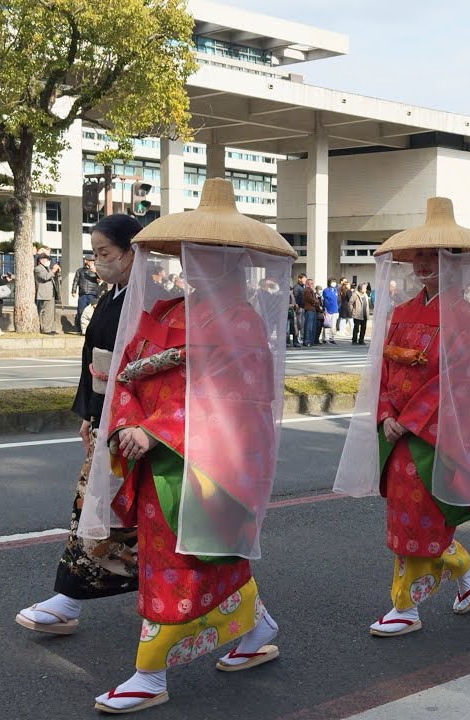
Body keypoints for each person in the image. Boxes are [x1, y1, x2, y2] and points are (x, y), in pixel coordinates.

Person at [78, 179, 290, 713]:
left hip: (208, 458)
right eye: (192, 253)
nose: (198, 264)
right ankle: (256, 627)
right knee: (187, 553)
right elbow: (128, 371)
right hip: (156, 454)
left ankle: (150, 673)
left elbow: (237, 398)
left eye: (212, 255)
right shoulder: (164, 312)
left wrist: (156, 428)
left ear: (235, 263)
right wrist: (120, 420)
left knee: (183, 558)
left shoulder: (240, 321)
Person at [334, 197, 470, 637]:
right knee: (409, 513)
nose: (425, 264)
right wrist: (386, 410)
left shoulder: (462, 315)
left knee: (417, 514)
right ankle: (466, 571)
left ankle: (406, 605)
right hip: (399, 430)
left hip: (431, 434)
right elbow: (385, 370)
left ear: (454, 263)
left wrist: (409, 419)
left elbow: (461, 380)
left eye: (435, 256)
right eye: (420, 256)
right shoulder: (403, 312)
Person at [15, 214, 142, 640]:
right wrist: (90, 413)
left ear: (131, 251)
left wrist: (111, 412)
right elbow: (94, 358)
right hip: (109, 413)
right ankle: (70, 598)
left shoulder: (147, 298)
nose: (98, 261)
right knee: (98, 508)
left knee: (115, 512)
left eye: (105, 253)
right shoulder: (113, 294)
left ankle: (73, 598)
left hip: (132, 421)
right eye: (95, 253)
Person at [73, 257, 103, 334]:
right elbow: (75, 281)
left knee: (93, 312)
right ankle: (80, 329)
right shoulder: (80, 271)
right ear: (86, 261)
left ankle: (92, 329)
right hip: (83, 294)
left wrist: (96, 272)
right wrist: (73, 291)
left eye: (93, 261)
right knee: (81, 311)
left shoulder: (96, 270)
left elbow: (102, 279)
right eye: (90, 261)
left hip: (93, 294)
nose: (91, 262)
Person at [35, 254, 61, 334]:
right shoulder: (38, 268)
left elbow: (53, 277)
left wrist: (57, 272)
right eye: (46, 260)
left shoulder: (47, 268)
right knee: (46, 311)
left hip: (51, 292)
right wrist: (53, 270)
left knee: (51, 312)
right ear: (41, 260)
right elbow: (45, 277)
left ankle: (50, 328)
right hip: (44, 293)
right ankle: (46, 329)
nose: (48, 261)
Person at [302, 281, 323, 346]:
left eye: (313, 283)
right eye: (311, 283)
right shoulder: (307, 290)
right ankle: (307, 341)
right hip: (309, 309)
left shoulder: (311, 291)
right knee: (309, 327)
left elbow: (315, 300)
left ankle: (311, 341)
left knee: (313, 327)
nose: (313, 285)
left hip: (313, 309)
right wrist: (316, 301)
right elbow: (311, 299)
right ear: (307, 284)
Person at [321, 277, 340, 343]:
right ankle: (325, 338)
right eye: (332, 282)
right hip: (328, 310)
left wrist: (338, 309)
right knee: (327, 325)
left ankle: (332, 338)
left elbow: (337, 300)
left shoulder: (335, 290)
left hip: (335, 309)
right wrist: (324, 308)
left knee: (333, 325)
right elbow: (323, 300)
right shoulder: (326, 290)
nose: (334, 283)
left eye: (334, 282)